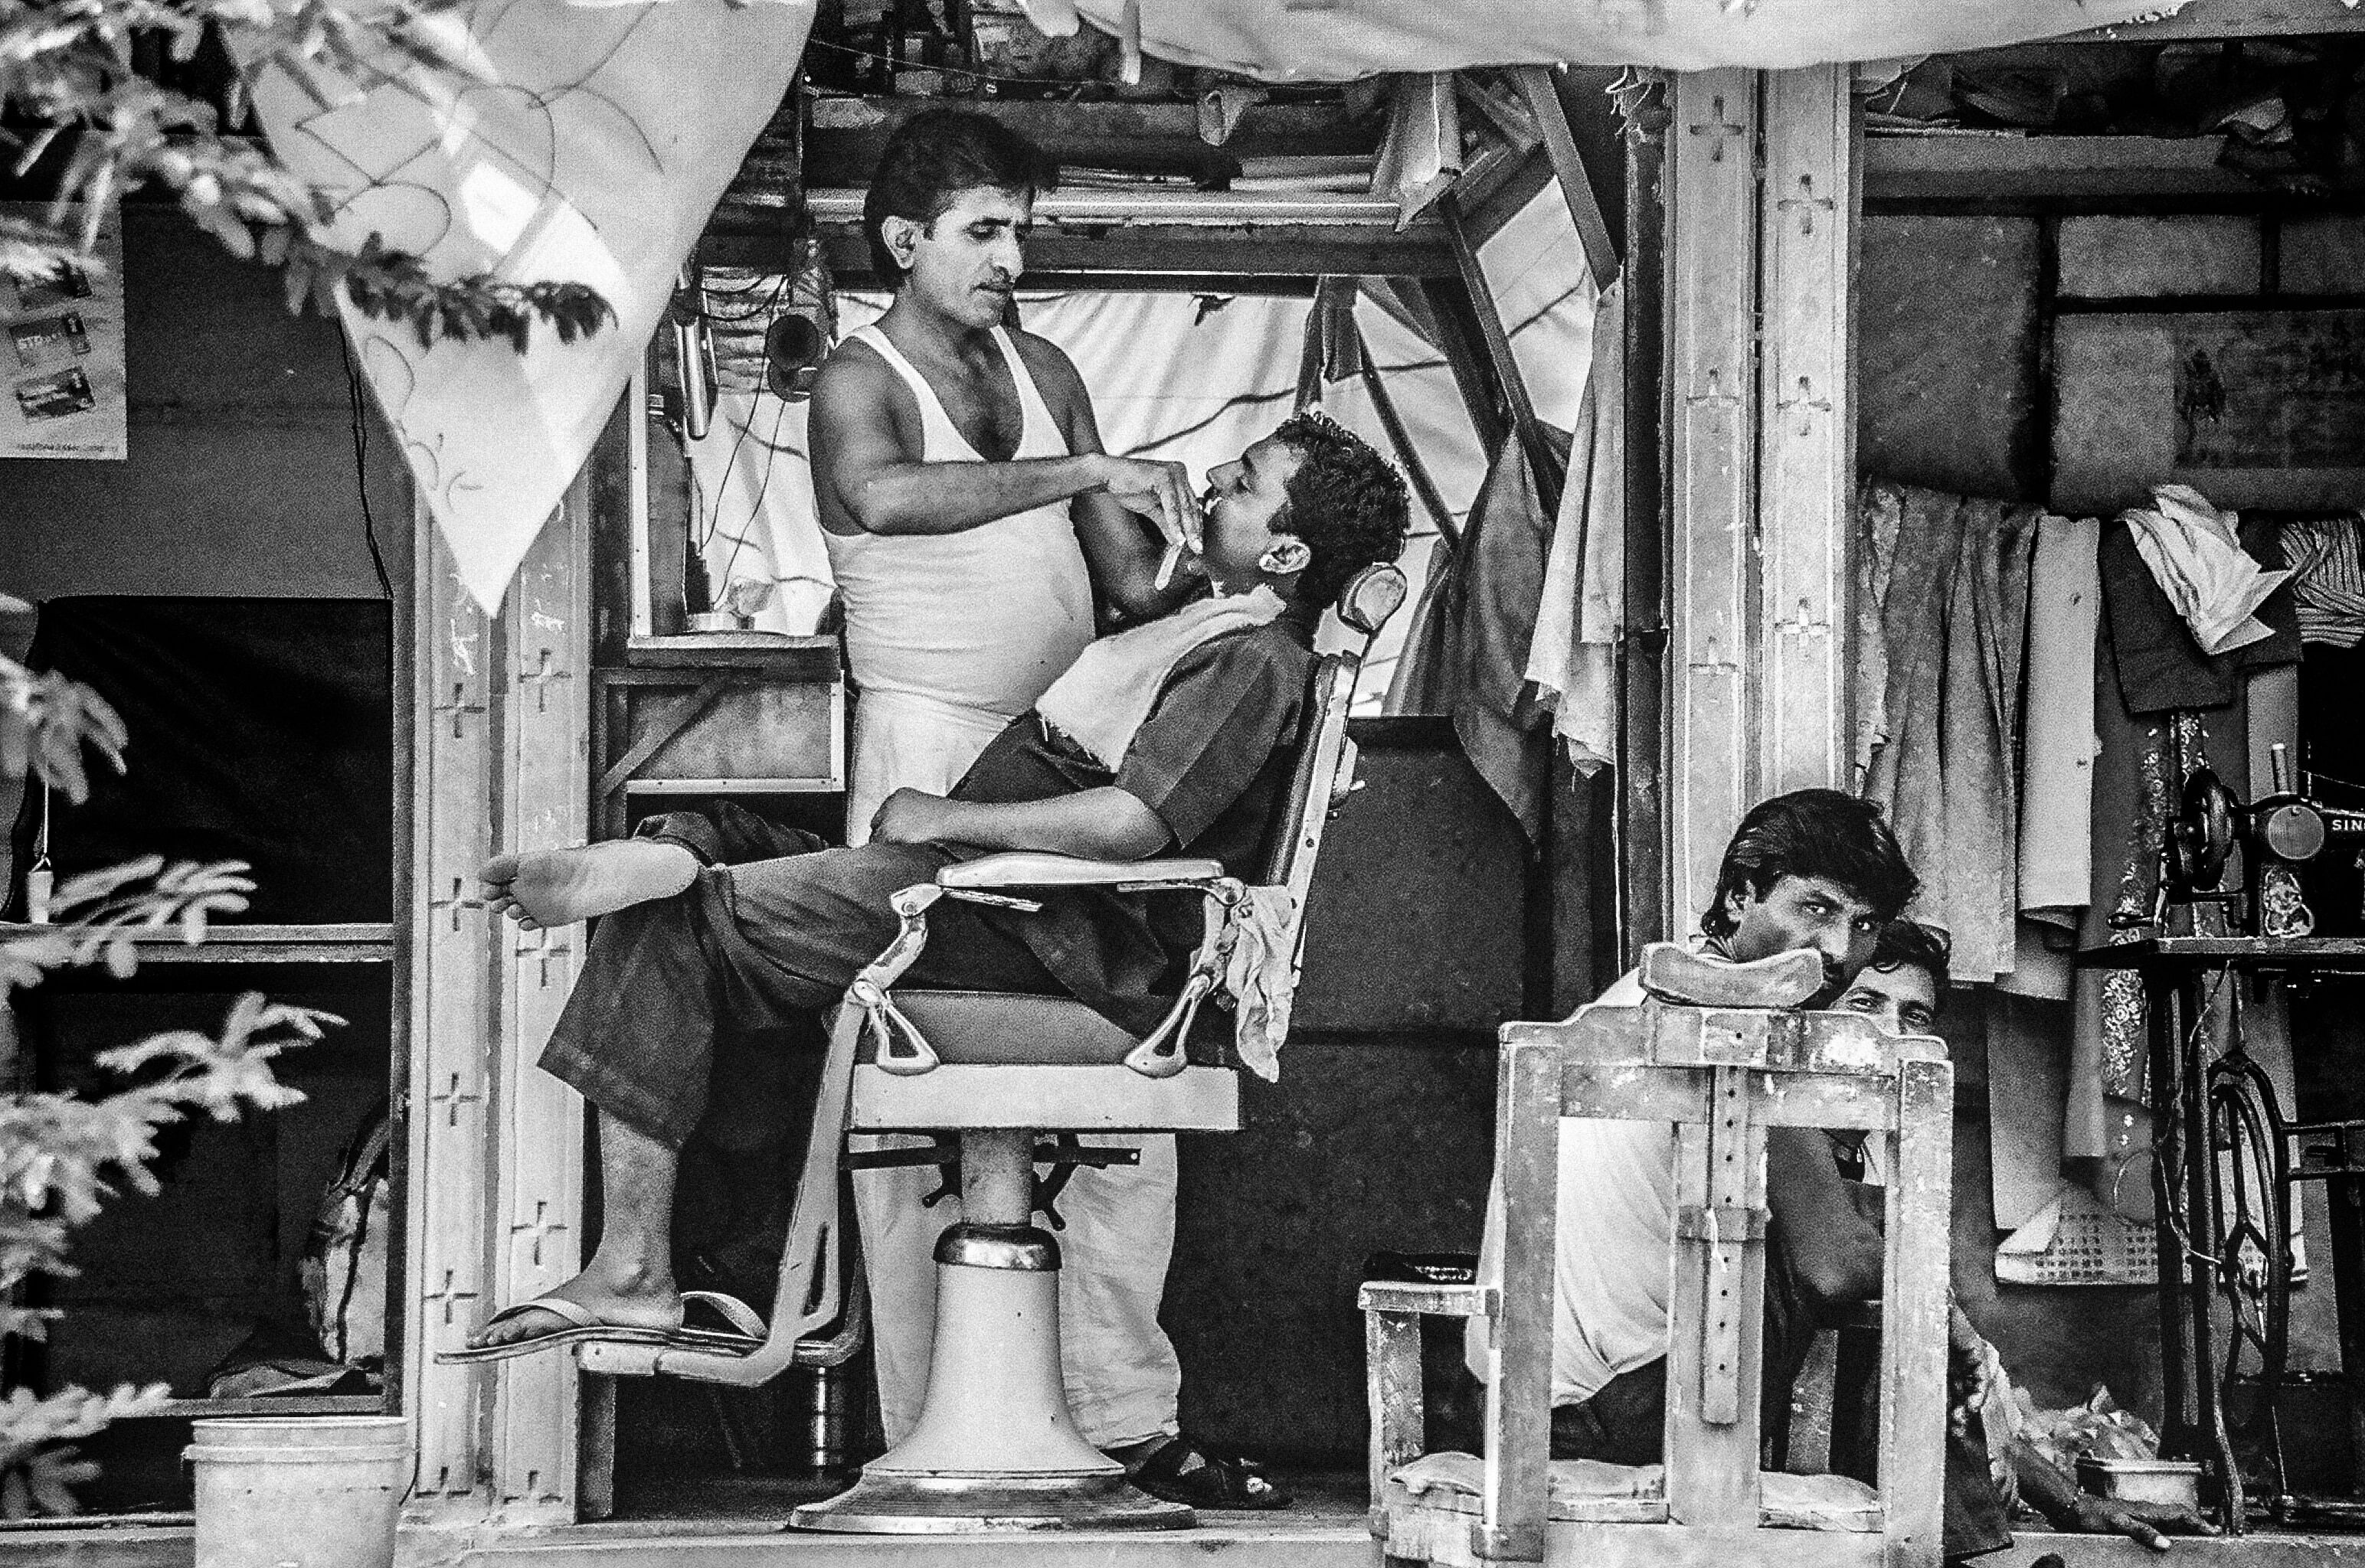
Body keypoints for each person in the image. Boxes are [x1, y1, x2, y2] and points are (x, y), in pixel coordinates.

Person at [450, 415, 1409, 1514]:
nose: (1211, 484)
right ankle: (671, 853)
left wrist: (946, 817)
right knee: (709, 850)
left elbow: (1135, 824)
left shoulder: (1253, 660)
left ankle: (634, 1263)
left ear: (1284, 551)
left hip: (1041, 944)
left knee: (681, 920)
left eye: (1240, 486)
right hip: (995, 912)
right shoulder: (1209, 624)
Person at [806, 107, 1220, 1485]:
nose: (1010, 259)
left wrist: (1222, 556)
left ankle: (1123, 1418)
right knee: (908, 1097)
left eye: (1020, 233)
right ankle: (933, 1433)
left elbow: (1126, 582)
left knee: (1124, 1077)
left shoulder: (1045, 368)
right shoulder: (854, 379)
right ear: (901, 239)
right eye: (984, 232)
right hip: (923, 768)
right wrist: (1086, 466)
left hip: (1062, 764)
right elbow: (880, 497)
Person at [1465, 789, 2020, 1560]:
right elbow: (1834, 1268)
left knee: (1869, 1231)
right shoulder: (1740, 1025)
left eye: (1864, 924)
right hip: (1625, 1412)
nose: (1839, 949)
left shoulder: (1652, 991)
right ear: (1739, 895)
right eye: (1816, 909)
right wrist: (1947, 1315)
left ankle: (1970, 1526)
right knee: (1878, 1261)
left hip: (1520, 1406)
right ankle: (1959, 1547)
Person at [1830, 923, 2215, 1553]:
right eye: (1864, 1004)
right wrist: (1954, 1336)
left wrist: (2072, 1501)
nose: (1889, 1033)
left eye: (1914, 1015)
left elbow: (1949, 1377)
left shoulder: (1884, 1158)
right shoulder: (1785, 1137)